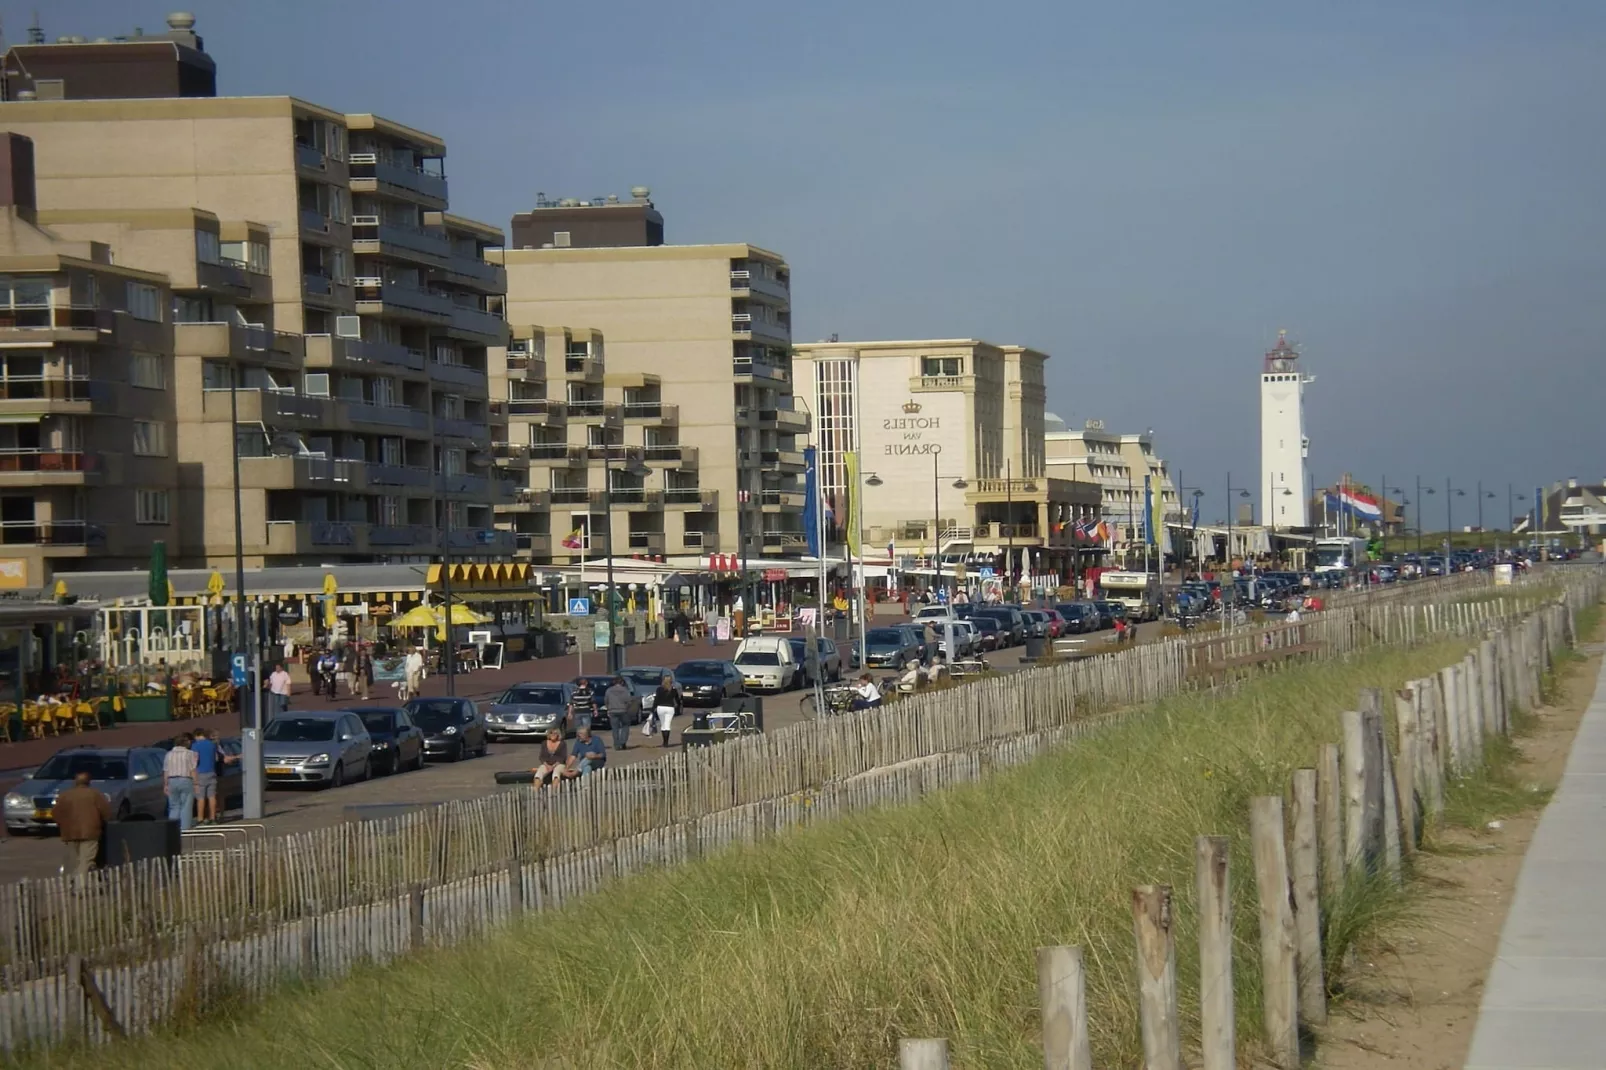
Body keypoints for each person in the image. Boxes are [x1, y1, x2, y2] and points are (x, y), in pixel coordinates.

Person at [54, 770, 110, 879]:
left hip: (70, 834)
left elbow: (56, 814)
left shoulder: (65, 795)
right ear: (89, 782)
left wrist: (63, 825)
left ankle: (73, 883)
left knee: (75, 861)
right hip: (90, 832)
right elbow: (106, 812)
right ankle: (80, 888)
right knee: (86, 861)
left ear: (75, 781)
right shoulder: (94, 794)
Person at [189, 727, 238, 826]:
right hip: (212, 772)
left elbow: (194, 761)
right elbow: (216, 758)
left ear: (197, 736)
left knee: (201, 798)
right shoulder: (212, 745)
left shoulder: (195, 745)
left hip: (200, 773)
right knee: (212, 796)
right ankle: (213, 818)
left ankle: (200, 819)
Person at [163, 733, 199, 832]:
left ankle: (172, 829)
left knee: (174, 806)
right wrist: (196, 783)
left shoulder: (168, 754)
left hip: (171, 780)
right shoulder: (190, 753)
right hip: (185, 779)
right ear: (186, 743)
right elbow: (193, 770)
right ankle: (185, 829)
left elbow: (166, 770)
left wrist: (165, 784)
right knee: (186, 805)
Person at [603, 676, 634, 752]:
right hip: (623, 710)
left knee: (615, 728)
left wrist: (608, 708)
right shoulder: (625, 690)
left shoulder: (609, 690)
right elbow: (629, 701)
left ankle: (616, 744)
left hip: (613, 711)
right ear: (622, 682)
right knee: (625, 726)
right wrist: (626, 707)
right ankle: (623, 742)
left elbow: (606, 701)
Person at [651, 674, 681, 747]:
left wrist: (653, 708)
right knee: (667, 725)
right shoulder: (673, 690)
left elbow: (656, 699)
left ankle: (664, 742)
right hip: (670, 708)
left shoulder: (659, 689)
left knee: (663, 724)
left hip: (660, 707)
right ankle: (666, 743)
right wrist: (678, 708)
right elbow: (677, 700)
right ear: (671, 681)